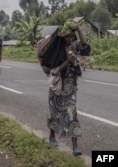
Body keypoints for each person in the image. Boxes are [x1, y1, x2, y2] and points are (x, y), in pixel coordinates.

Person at [38, 19, 90, 156]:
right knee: (54, 113)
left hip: (70, 86)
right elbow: (54, 71)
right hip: (57, 87)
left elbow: (84, 44)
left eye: (72, 36)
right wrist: (68, 61)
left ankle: (75, 146)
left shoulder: (74, 46)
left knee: (72, 114)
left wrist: (78, 29)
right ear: (62, 37)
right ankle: (52, 136)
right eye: (68, 36)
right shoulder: (55, 50)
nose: (70, 39)